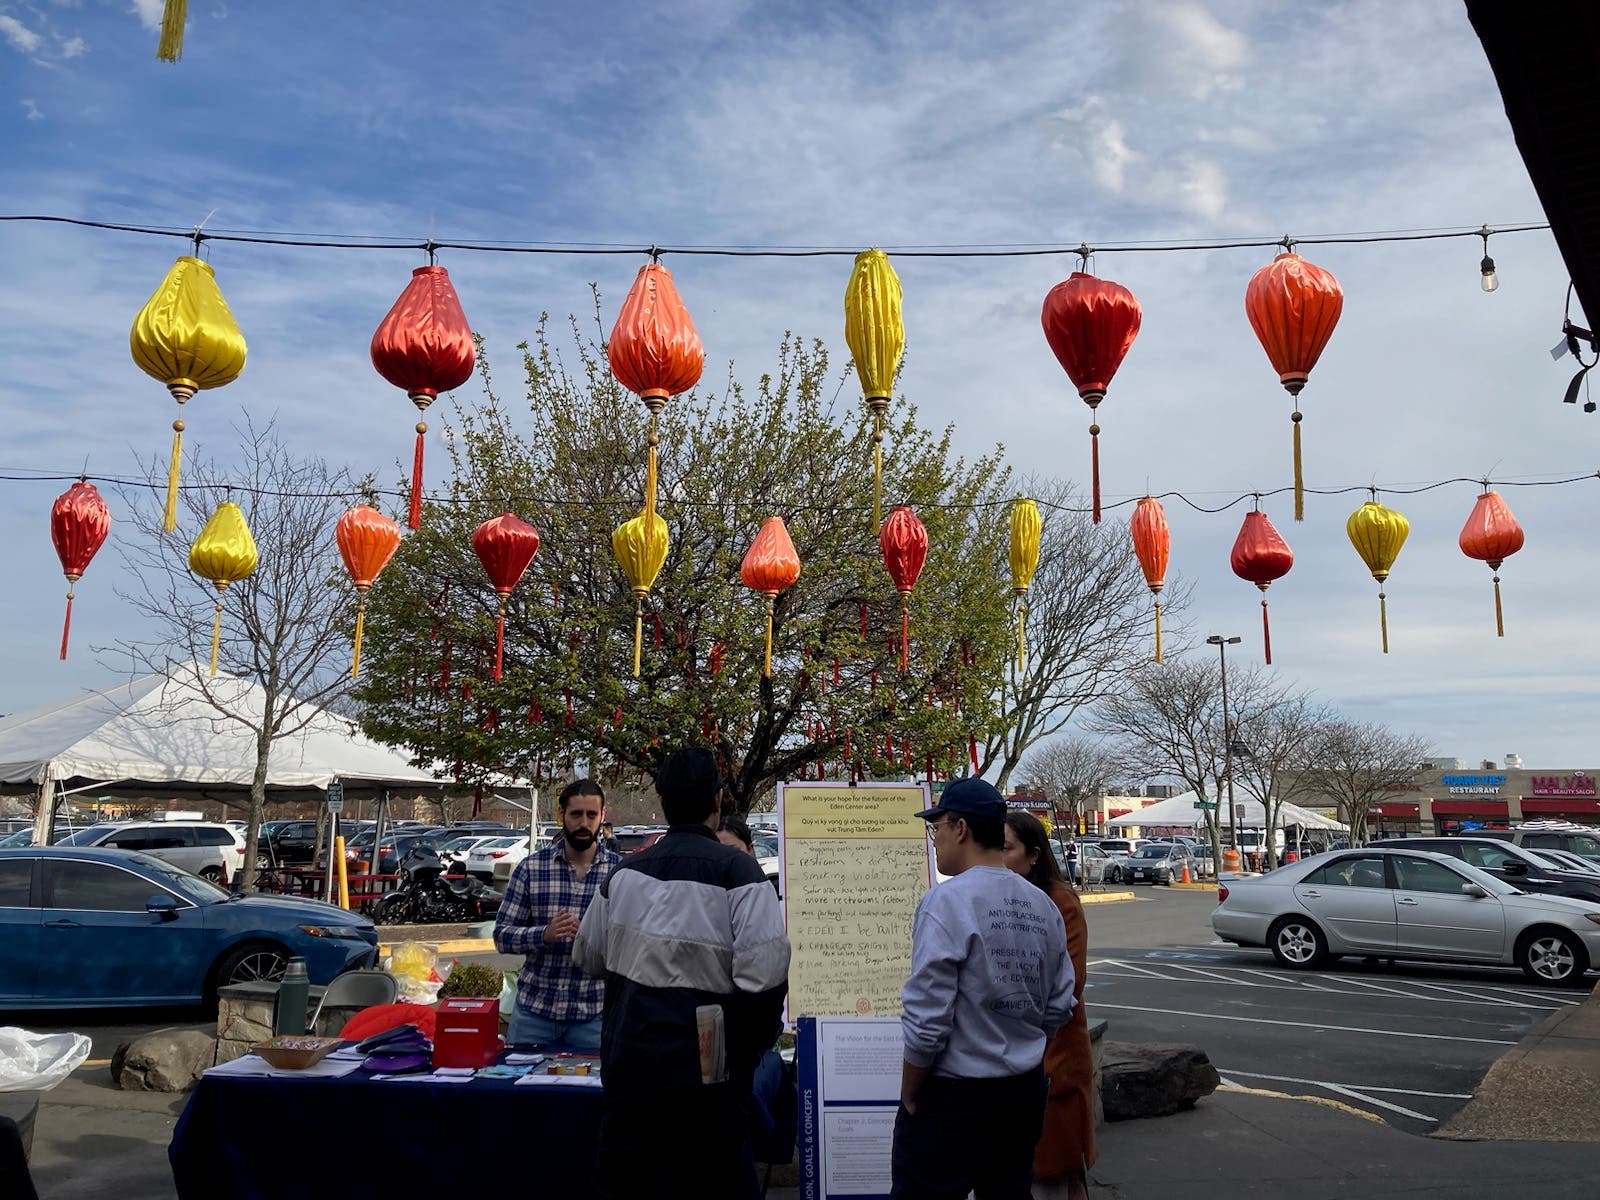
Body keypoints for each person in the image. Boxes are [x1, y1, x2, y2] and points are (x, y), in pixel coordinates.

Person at [575, 748, 790, 1200]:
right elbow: (766, 983)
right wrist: (742, 1060)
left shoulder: (625, 873)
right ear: (718, 799)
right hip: (708, 1091)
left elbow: (589, 955)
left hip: (630, 1079)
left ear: (663, 802)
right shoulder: (741, 875)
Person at [894, 777, 1075, 1200]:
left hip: (953, 1096)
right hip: (1022, 1092)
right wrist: (1022, 1046)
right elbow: (1059, 1004)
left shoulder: (946, 902)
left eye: (936, 827)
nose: (935, 840)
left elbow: (928, 1019)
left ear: (960, 829)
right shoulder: (1042, 905)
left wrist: (910, 1087)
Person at [1003, 811, 1096, 1200]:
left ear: (1034, 854)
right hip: (1015, 1059)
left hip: (1055, 1056)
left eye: (1007, 848)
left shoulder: (1060, 901)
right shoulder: (1001, 897)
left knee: (1054, 1170)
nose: (999, 857)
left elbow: (1069, 984)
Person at [492, 778, 619, 1049]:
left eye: (591, 815)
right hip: (534, 1014)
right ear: (561, 814)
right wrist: (543, 935)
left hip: (593, 1015)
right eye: (576, 814)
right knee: (519, 1077)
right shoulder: (531, 869)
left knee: (593, 1079)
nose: (584, 823)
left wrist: (591, 940)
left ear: (603, 815)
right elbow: (502, 936)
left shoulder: (619, 874)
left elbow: (631, 947)